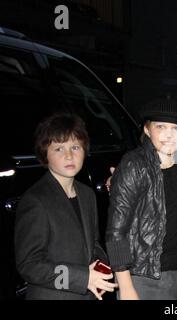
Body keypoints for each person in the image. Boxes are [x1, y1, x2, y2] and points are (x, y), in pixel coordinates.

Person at [15, 113, 116, 300]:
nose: (69, 155)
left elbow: (93, 243)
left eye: (75, 147)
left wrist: (101, 265)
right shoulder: (36, 200)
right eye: (59, 149)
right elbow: (29, 265)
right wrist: (83, 278)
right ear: (45, 154)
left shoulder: (87, 194)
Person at [105, 97, 177, 300]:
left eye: (176, 128)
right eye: (161, 126)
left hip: (175, 271)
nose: (169, 134)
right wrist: (126, 286)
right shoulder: (134, 164)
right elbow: (115, 232)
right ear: (147, 130)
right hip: (139, 273)